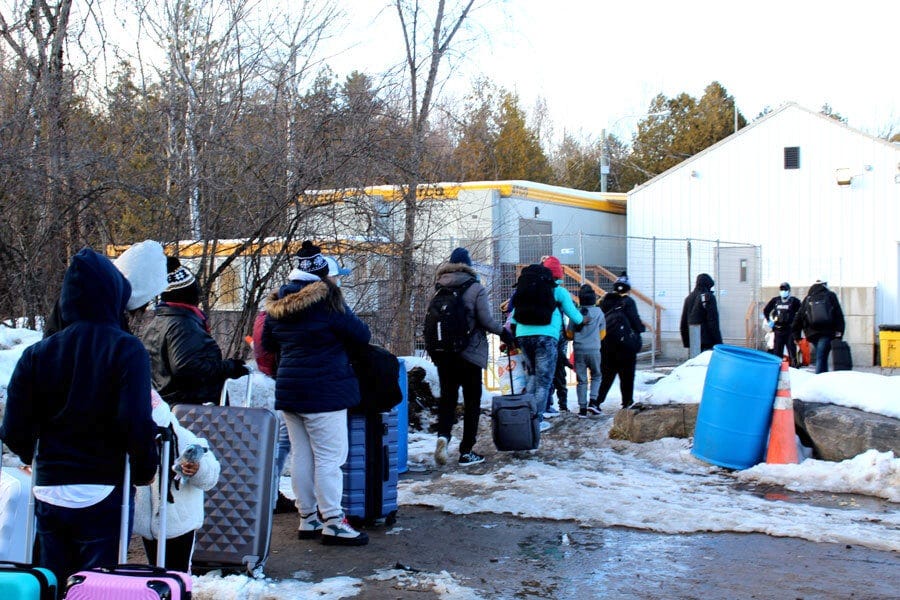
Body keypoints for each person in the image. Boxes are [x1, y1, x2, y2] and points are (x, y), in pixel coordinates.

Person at [0, 248, 159, 586]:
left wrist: (30, 453)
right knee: (98, 586)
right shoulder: (125, 348)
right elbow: (135, 421)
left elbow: (13, 428)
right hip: (104, 484)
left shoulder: (37, 353)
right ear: (113, 295)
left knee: (52, 582)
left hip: (50, 486)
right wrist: (145, 469)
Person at [262, 240, 372, 545]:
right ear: (323, 275)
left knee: (301, 455)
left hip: (290, 389)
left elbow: (268, 344)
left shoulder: (278, 304)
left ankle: (308, 518)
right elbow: (362, 335)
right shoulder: (328, 302)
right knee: (329, 458)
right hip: (325, 391)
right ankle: (333, 521)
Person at [431, 247, 511, 467]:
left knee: (448, 399)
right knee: (472, 402)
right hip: (469, 353)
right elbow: (486, 320)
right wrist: (503, 332)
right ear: (468, 265)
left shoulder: (439, 286)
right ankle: (466, 451)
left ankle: (443, 437)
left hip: (444, 353)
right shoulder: (475, 287)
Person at [141, 256, 249, 406]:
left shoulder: (157, 322)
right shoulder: (183, 325)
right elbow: (187, 367)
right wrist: (229, 368)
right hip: (193, 410)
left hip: (172, 407)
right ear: (189, 294)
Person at [134, 390, 220, 572]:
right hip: (148, 522)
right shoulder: (136, 442)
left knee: (177, 570)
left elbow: (211, 476)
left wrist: (198, 469)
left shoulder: (182, 438)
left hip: (180, 520)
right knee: (154, 567)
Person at [511, 257, 585, 433]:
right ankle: (536, 421)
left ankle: (525, 417)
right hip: (546, 338)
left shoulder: (527, 288)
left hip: (522, 336)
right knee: (544, 382)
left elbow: (513, 316)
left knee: (532, 375)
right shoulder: (558, 290)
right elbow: (575, 316)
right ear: (558, 275)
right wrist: (583, 320)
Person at [594, 273, 645, 410]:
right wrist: (641, 328)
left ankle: (596, 402)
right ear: (628, 289)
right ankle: (627, 401)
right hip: (625, 346)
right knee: (627, 375)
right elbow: (636, 322)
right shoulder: (629, 302)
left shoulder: (604, 300)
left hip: (606, 344)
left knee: (606, 375)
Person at [792, 279, 845, 374]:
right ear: (825, 285)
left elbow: (799, 317)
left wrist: (796, 335)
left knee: (822, 356)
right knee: (821, 357)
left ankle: (824, 378)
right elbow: (838, 315)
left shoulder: (808, 298)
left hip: (812, 333)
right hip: (827, 332)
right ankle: (818, 378)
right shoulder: (830, 295)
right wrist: (839, 333)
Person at [568, 284, 605, 418]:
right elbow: (602, 334)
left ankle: (582, 408)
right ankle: (593, 402)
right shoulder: (599, 312)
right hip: (594, 349)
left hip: (579, 350)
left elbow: (569, 334)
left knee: (581, 380)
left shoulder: (576, 313)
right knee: (597, 375)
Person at [542, 256, 571, 417]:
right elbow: (572, 313)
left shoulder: (538, 290)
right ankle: (563, 404)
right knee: (559, 372)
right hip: (558, 338)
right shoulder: (560, 291)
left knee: (545, 372)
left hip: (543, 336)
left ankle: (547, 404)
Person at [680, 273, 723, 352]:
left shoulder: (688, 298)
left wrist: (687, 343)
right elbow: (713, 322)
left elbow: (683, 322)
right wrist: (718, 342)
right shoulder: (709, 297)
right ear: (708, 285)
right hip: (707, 342)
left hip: (693, 341)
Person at [763, 282, 802, 365]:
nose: (783, 291)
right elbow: (766, 310)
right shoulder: (775, 300)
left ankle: (794, 367)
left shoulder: (794, 301)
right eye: (781, 289)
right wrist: (770, 321)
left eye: (785, 289)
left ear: (789, 290)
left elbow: (801, 312)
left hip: (789, 330)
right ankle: (778, 369)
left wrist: (796, 325)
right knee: (777, 354)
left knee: (792, 352)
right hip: (778, 330)